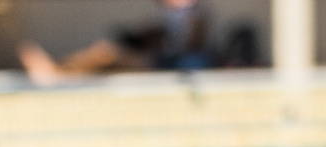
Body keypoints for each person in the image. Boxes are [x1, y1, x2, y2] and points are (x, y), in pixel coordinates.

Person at [18, 0, 211, 84]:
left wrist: (161, 46)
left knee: (106, 54)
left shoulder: (194, 14)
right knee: (104, 54)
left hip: (167, 64)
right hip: (160, 59)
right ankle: (58, 71)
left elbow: (189, 47)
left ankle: (57, 72)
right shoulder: (173, 14)